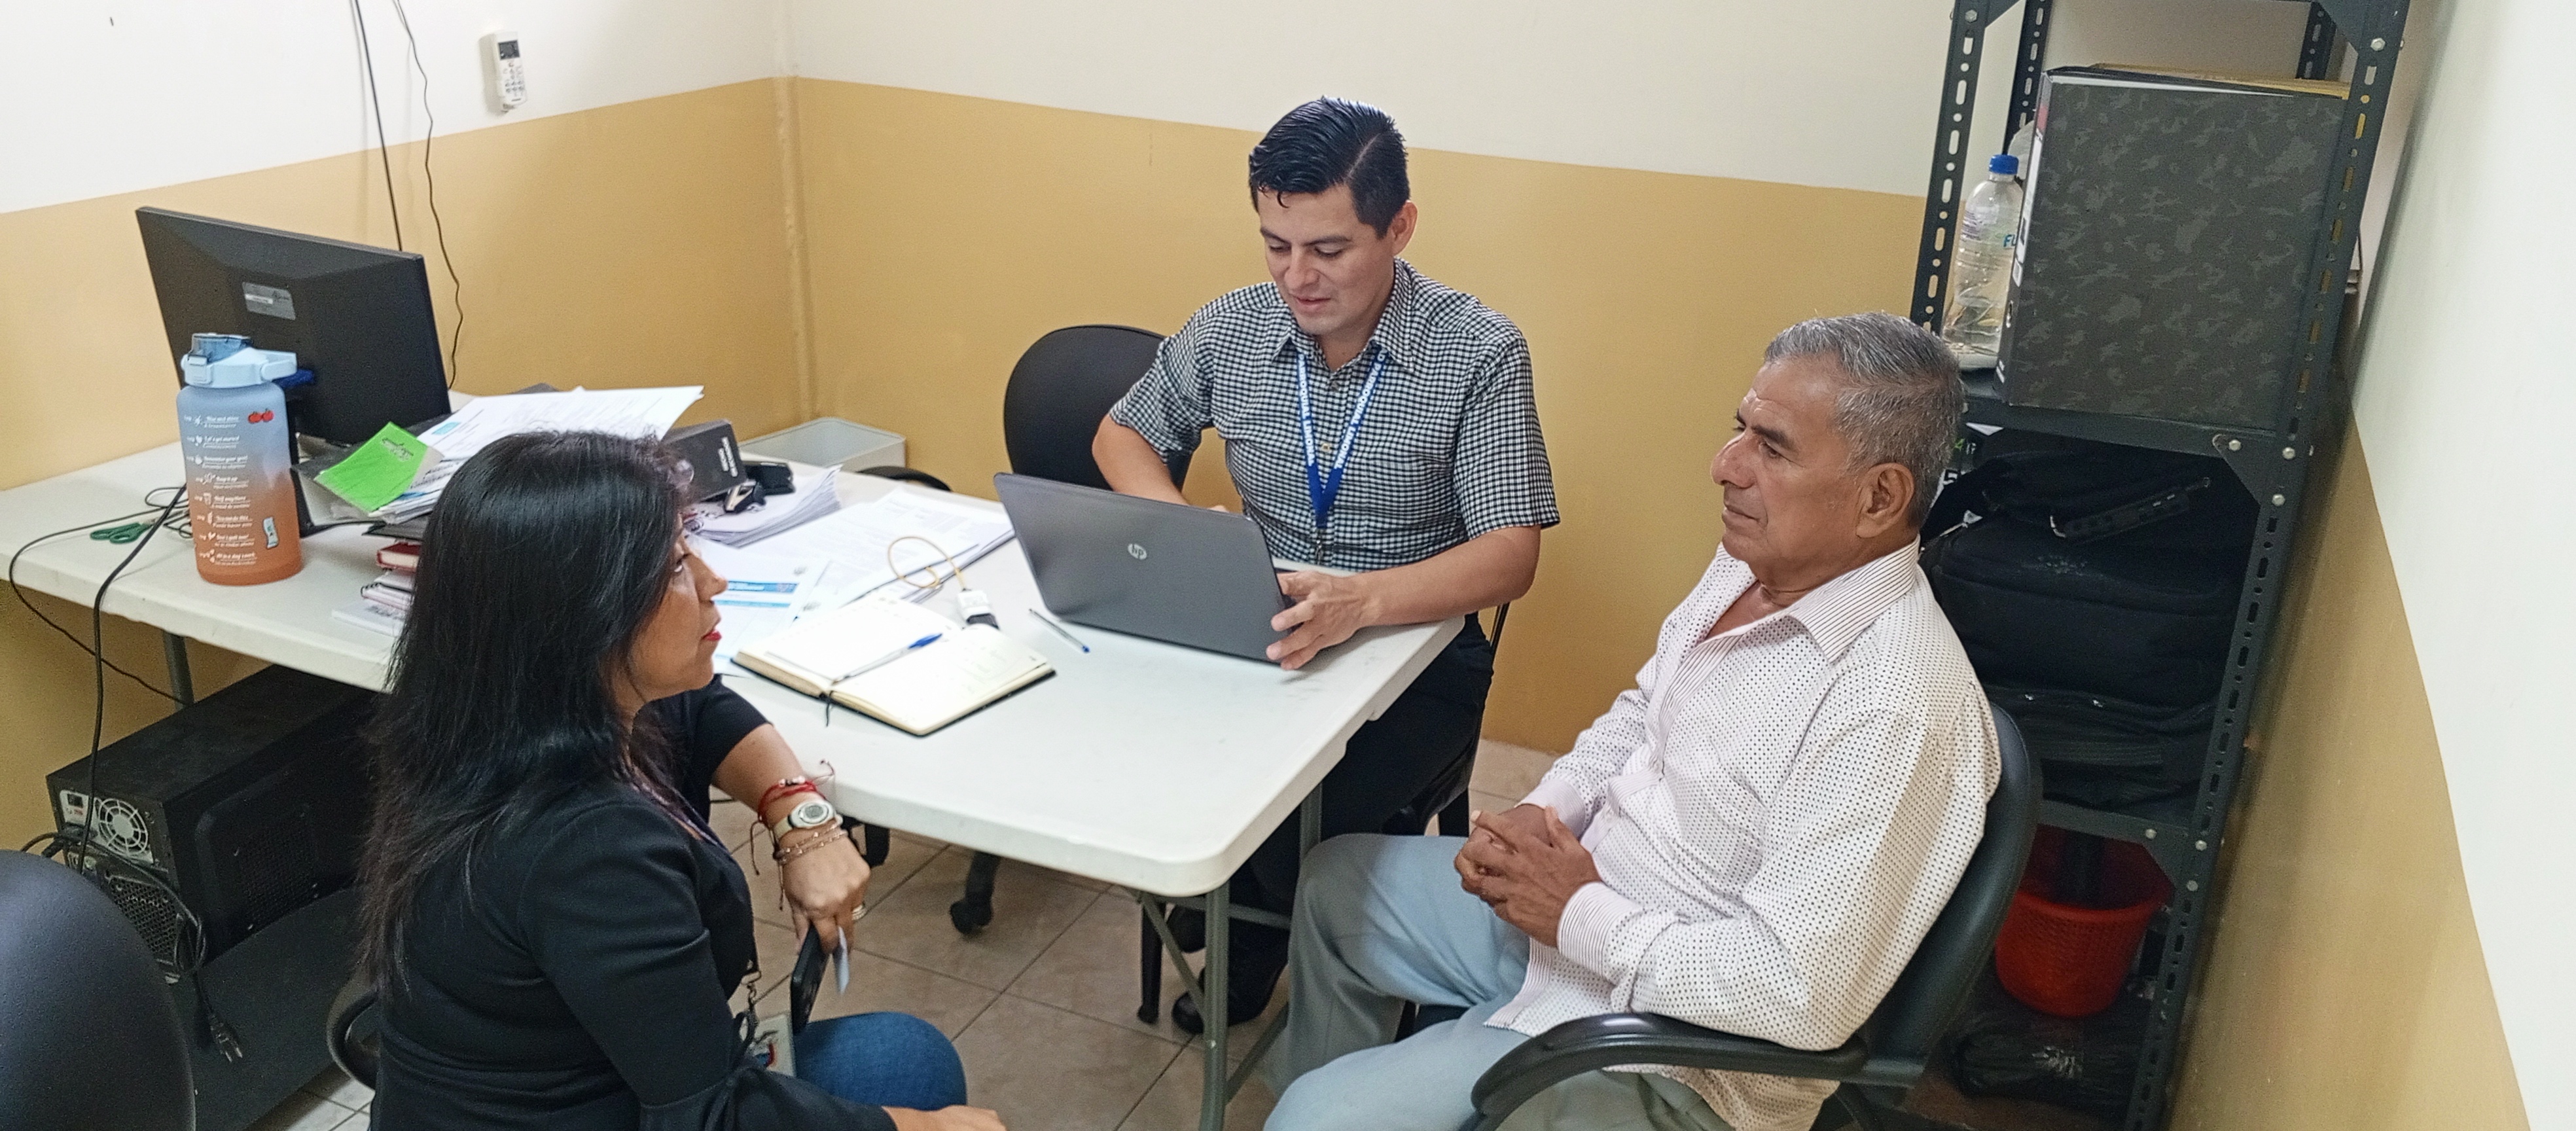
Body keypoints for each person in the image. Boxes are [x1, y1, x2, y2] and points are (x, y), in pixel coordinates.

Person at [1263, 313, 2001, 1131]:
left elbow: (1796, 997)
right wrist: (1544, 812)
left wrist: (1578, 912)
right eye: (1740, 429)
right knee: (1332, 884)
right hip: (1578, 923)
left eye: (1772, 447)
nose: (1725, 466)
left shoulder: (1896, 708)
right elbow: (1646, 712)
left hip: (1671, 1056)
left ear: (1880, 497)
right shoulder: (1754, 565)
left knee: (1309, 1120)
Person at [357, 431, 1003, 1131]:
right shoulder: (586, 850)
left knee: (904, 1057)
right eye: (673, 566)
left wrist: (800, 817)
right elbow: (710, 1119)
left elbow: (702, 707)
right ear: (585, 615)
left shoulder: (503, 716)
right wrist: (923, 1128)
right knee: (913, 1077)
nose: (712, 581)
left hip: (591, 1080)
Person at [1094, 97, 1559, 1031]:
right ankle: (1239, 898)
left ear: (1399, 228)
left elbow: (1512, 554)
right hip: (1258, 622)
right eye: (1276, 246)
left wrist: (1364, 602)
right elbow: (1122, 435)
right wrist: (1183, 530)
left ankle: (1254, 927)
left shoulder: (1479, 351)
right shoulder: (1233, 328)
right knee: (1141, 766)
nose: (1297, 278)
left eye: (1329, 250)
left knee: (1288, 823)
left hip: (1417, 654)